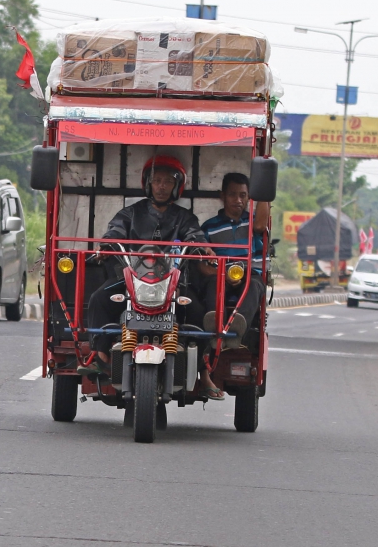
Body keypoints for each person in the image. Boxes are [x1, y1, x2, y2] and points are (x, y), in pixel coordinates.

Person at [78, 156, 222, 398]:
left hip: (173, 283)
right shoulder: (130, 213)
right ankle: (100, 355)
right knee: (98, 299)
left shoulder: (184, 217)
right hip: (131, 280)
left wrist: (201, 246)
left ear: (177, 186)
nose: (162, 186)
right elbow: (114, 231)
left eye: (167, 181)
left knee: (199, 313)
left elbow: (194, 235)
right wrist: (106, 246)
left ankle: (204, 371)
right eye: (157, 181)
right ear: (148, 183)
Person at [199, 172, 270, 347]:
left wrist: (264, 191)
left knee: (255, 284)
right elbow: (203, 267)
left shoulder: (253, 222)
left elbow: (261, 225)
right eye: (232, 194)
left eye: (243, 195)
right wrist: (223, 274)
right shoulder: (209, 227)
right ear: (222, 196)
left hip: (249, 274)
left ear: (248, 198)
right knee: (213, 282)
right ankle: (215, 329)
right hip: (222, 274)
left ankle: (237, 330)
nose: (238, 200)